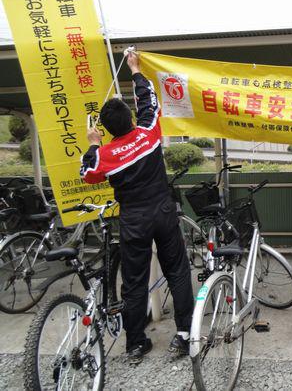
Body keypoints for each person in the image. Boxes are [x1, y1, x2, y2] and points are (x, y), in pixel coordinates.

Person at [80, 52, 194, 364]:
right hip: (163, 212)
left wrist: (93, 143)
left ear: (105, 129)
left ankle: (135, 343)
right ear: (131, 119)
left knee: (133, 282)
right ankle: (185, 334)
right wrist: (135, 70)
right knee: (177, 271)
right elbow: (150, 103)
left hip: (133, 219)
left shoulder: (105, 155)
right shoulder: (148, 134)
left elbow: (87, 173)